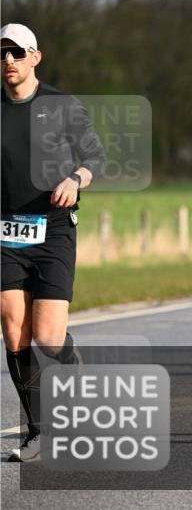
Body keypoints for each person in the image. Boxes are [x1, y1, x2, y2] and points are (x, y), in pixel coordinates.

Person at [2, 23, 106, 462]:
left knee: (46, 337)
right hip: (5, 231)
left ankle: (69, 358)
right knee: (13, 330)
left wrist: (75, 178)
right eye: (2, 53)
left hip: (53, 230)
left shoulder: (61, 105)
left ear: (35, 58)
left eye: (17, 53)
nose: (8, 61)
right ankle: (37, 430)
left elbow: (96, 157)